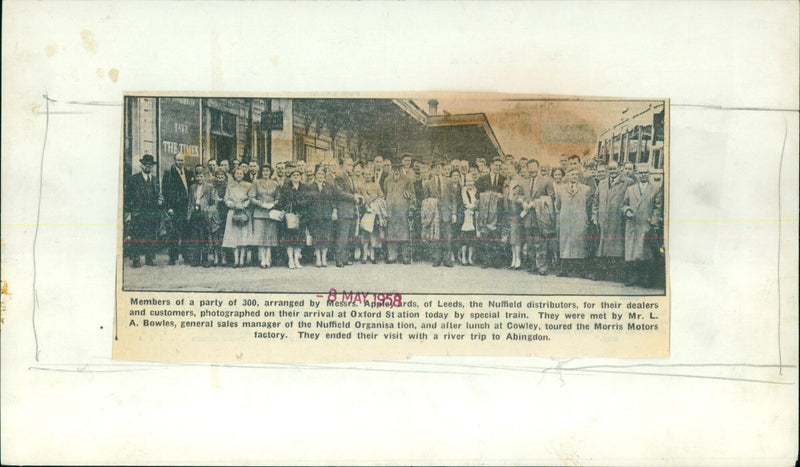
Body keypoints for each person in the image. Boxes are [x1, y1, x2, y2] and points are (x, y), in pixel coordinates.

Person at [622, 164, 662, 287]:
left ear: (649, 174)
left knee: (645, 254)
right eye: (640, 173)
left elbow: (658, 207)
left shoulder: (655, 189)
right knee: (632, 254)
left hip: (646, 225)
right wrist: (627, 211)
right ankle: (632, 278)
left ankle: (646, 279)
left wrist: (653, 221)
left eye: (645, 173)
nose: (643, 175)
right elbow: (624, 205)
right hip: (633, 225)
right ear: (637, 174)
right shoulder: (630, 189)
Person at [592, 161, 631, 282]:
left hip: (618, 221)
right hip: (603, 220)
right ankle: (601, 273)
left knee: (618, 248)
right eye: (610, 169)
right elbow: (596, 202)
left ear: (620, 168)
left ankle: (618, 274)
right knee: (602, 247)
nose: (612, 172)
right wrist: (594, 216)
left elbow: (630, 202)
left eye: (614, 169)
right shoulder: (602, 184)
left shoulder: (627, 183)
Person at [124, 154, 163, 267]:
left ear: (153, 167)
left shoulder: (155, 180)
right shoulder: (134, 179)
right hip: (138, 213)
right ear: (142, 166)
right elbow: (128, 197)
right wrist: (130, 212)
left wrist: (160, 200)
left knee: (151, 235)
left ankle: (149, 258)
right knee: (137, 236)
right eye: (146, 165)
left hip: (152, 213)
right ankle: (136, 259)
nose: (148, 167)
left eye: (150, 166)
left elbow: (158, 195)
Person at [555, 169, 592, 277]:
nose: (574, 176)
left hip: (580, 220)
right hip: (566, 220)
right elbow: (558, 205)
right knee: (565, 244)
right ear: (567, 176)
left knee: (580, 244)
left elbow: (588, 205)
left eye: (576, 174)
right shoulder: (561, 189)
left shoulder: (586, 189)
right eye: (572, 174)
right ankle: (564, 270)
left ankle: (581, 271)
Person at [521, 159, 555, 275]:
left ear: (538, 167)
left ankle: (542, 267)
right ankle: (532, 265)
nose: (532, 170)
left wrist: (537, 202)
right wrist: (523, 202)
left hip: (540, 218)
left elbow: (551, 198)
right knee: (530, 243)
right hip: (527, 218)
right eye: (530, 168)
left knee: (541, 243)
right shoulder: (524, 182)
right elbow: (520, 196)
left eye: (534, 168)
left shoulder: (546, 181)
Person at [423, 163, 458, 267]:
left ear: (443, 169)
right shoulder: (428, 183)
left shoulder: (449, 182)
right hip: (434, 214)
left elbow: (453, 199)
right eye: (435, 168)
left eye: (440, 168)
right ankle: (436, 259)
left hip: (447, 212)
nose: (438, 170)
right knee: (435, 237)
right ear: (432, 170)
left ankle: (447, 260)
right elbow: (426, 200)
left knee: (447, 237)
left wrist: (454, 213)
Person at [162, 153, 195, 265]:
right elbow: (165, 192)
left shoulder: (188, 172)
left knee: (186, 232)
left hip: (187, 207)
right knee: (174, 233)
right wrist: (169, 207)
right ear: (174, 160)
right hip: (176, 207)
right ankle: (173, 257)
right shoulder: (169, 173)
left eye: (182, 160)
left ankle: (186, 256)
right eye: (178, 160)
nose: (180, 162)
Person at [248, 164, 281, 268]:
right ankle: (262, 258)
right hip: (259, 212)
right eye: (264, 171)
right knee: (260, 236)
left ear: (270, 172)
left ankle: (268, 258)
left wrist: (273, 204)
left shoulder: (275, 183)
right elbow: (251, 197)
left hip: (271, 213)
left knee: (270, 236)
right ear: (261, 172)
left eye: (267, 171)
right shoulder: (256, 183)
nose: (266, 173)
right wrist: (261, 204)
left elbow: (278, 197)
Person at [383, 160, 416, 264]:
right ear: (392, 169)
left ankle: (406, 257)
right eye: (394, 168)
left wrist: (411, 209)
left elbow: (413, 196)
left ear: (402, 169)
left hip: (403, 211)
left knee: (404, 234)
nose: (396, 170)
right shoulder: (387, 180)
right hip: (390, 211)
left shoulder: (407, 180)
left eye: (399, 168)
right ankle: (392, 256)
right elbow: (385, 194)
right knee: (390, 233)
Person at [332, 158, 362, 267]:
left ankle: (345, 258)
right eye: (348, 165)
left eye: (351, 165)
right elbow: (339, 193)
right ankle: (339, 260)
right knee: (342, 237)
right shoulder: (340, 177)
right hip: (344, 210)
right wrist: (354, 197)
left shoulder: (351, 178)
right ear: (343, 166)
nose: (350, 167)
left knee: (349, 236)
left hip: (352, 211)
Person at [303, 165, 335, 267]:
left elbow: (333, 200)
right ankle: (318, 258)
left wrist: (334, 211)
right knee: (316, 236)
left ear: (325, 175)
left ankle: (324, 258)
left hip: (326, 215)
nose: (320, 175)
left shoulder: (329, 186)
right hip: (315, 215)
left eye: (322, 174)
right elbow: (307, 202)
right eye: (318, 173)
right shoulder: (310, 187)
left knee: (325, 236)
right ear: (315, 174)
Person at [222, 166, 252, 267]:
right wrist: (233, 205)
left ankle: (242, 260)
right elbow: (226, 199)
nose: (239, 175)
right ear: (234, 174)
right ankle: (236, 260)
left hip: (244, 212)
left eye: (241, 173)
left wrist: (244, 205)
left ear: (243, 175)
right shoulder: (229, 185)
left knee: (243, 236)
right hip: (233, 211)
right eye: (237, 173)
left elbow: (250, 198)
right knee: (234, 236)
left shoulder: (248, 185)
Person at [357, 167, 386, 264]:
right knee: (365, 234)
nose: (367, 176)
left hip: (374, 213)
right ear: (363, 175)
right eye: (365, 174)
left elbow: (381, 196)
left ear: (372, 175)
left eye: (369, 174)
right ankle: (365, 255)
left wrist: (375, 204)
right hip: (365, 213)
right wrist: (364, 204)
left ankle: (372, 255)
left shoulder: (376, 185)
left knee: (373, 234)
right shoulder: (360, 186)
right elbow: (358, 198)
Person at [281, 165, 307, 269]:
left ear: (301, 177)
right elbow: (283, 201)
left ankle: (297, 260)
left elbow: (307, 200)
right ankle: (290, 260)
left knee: (299, 240)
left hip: (300, 216)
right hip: (290, 217)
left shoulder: (304, 187)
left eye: (298, 175)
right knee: (289, 239)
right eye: (294, 175)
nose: (296, 177)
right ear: (291, 177)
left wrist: (300, 206)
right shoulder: (286, 187)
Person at [186, 166, 211, 267]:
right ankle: (196, 259)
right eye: (198, 176)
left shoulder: (209, 187)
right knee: (195, 237)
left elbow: (212, 201)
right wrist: (189, 215)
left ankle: (205, 260)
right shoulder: (192, 187)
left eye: (201, 176)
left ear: (204, 176)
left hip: (204, 213)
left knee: (204, 237)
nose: (199, 178)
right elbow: (190, 202)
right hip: (195, 213)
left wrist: (208, 210)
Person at [204, 168, 228, 267]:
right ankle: (216, 257)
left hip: (224, 211)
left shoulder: (227, 186)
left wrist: (222, 200)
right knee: (215, 234)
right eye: (217, 176)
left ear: (225, 176)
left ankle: (224, 257)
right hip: (215, 212)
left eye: (222, 176)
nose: (219, 178)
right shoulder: (212, 187)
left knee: (223, 235)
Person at [458, 173, 479, 266]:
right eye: (468, 181)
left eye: (471, 181)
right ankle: (463, 257)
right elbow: (465, 203)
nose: (470, 183)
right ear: (465, 182)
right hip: (466, 215)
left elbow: (477, 201)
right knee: (464, 237)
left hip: (474, 215)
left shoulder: (475, 190)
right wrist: (472, 206)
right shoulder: (463, 190)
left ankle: (470, 258)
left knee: (472, 237)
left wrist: (475, 206)